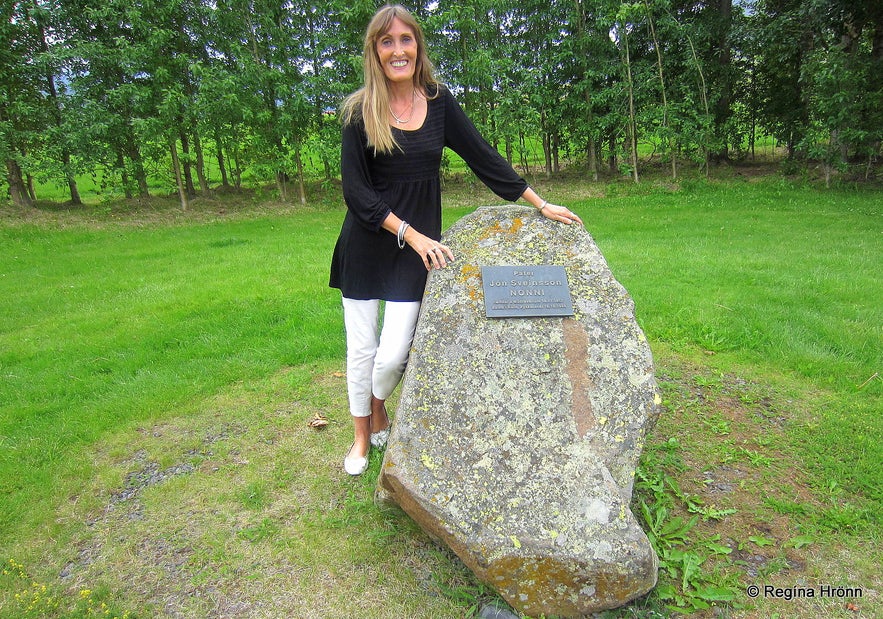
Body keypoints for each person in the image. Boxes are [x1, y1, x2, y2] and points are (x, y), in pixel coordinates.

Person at [329, 4, 583, 476]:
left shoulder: (439, 102)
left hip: (415, 253)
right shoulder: (359, 111)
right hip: (368, 245)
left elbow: (482, 156)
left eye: (406, 39)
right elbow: (356, 193)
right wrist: (409, 232)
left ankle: (379, 403)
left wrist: (539, 203)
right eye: (387, 42)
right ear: (375, 51)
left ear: (417, 46)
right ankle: (362, 436)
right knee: (361, 349)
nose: (398, 50)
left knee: (392, 353)